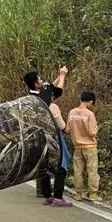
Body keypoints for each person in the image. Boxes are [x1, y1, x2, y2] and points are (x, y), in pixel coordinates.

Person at [23, 65, 69, 203]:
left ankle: (47, 196)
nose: (43, 81)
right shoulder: (50, 103)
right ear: (37, 84)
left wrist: (57, 79)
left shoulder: (32, 97)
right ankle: (58, 197)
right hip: (54, 135)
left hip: (40, 136)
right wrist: (62, 75)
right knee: (63, 162)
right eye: (40, 79)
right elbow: (58, 90)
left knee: (45, 163)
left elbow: (50, 87)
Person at [43, 86, 72, 207]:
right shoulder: (52, 106)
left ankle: (47, 196)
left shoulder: (37, 106)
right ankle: (58, 197)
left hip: (42, 140)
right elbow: (61, 126)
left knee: (44, 167)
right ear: (52, 96)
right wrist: (68, 126)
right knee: (62, 166)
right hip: (55, 139)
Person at [68, 91, 100, 202]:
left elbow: (68, 129)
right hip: (90, 147)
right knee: (92, 170)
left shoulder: (72, 113)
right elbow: (91, 132)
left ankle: (78, 194)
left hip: (77, 147)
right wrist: (97, 129)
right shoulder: (89, 114)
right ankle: (93, 194)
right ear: (91, 101)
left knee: (78, 171)